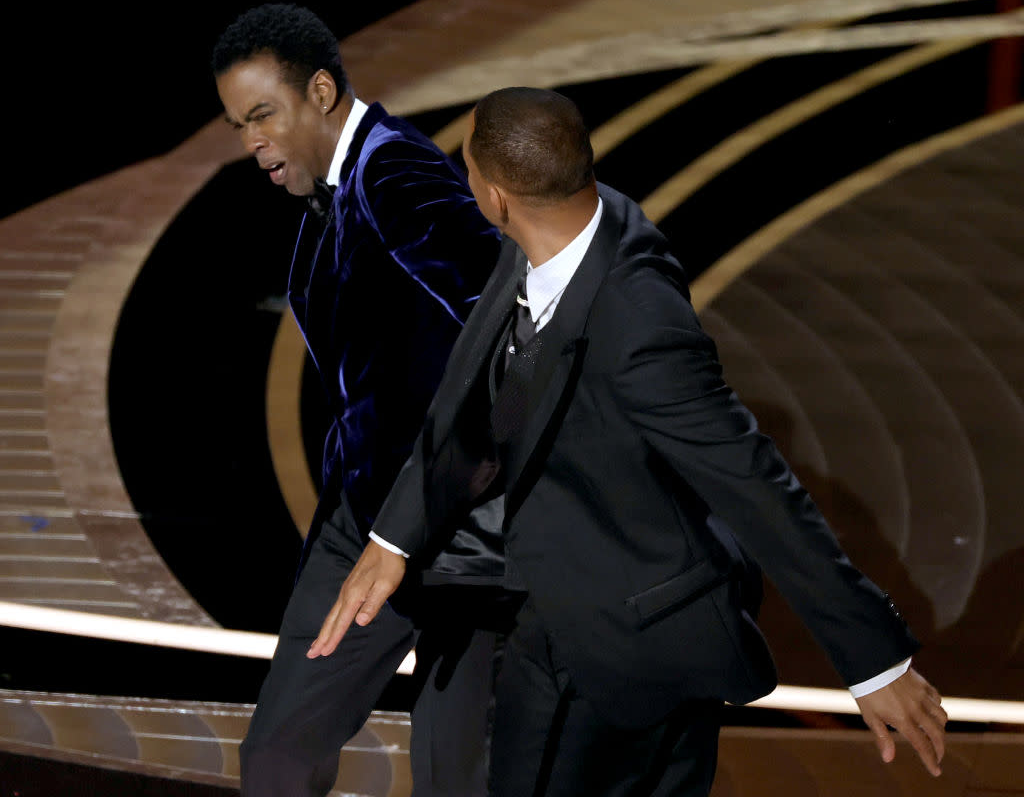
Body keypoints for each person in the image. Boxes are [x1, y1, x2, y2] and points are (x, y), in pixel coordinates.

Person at [309, 87, 950, 796]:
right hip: (587, 622)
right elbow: (472, 387)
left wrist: (875, 663)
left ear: (494, 197)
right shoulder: (562, 223)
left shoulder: (640, 327)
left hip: (625, 645)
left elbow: (756, 485)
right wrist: (396, 537)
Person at [212, 4, 518, 797]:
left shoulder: (393, 171)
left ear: (320, 91)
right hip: (362, 527)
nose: (251, 143)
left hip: (457, 535)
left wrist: (460, 474)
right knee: (278, 755)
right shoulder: (329, 199)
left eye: (262, 116)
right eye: (238, 125)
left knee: (458, 778)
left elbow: (506, 304)